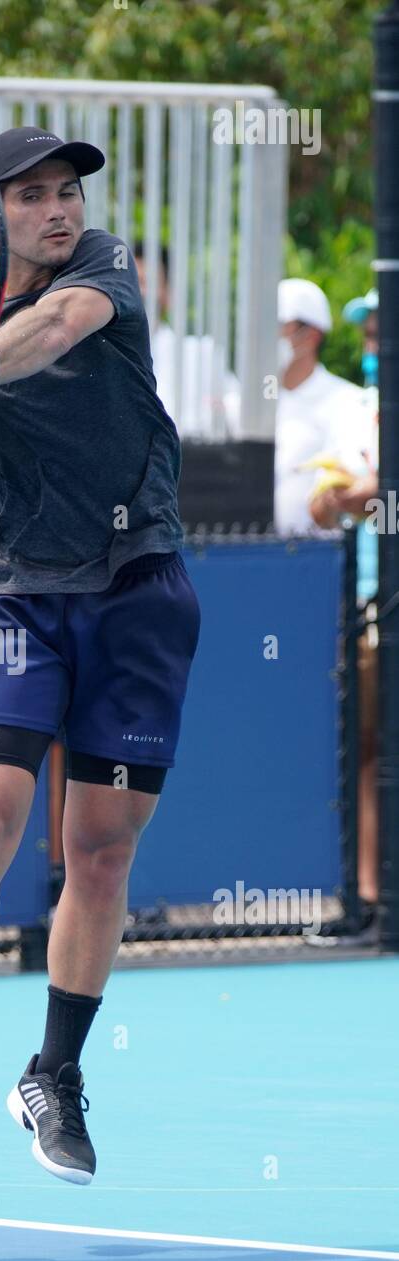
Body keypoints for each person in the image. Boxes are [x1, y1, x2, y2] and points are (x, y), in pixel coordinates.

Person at [0, 127, 201, 1191]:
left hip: (139, 591)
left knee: (100, 850)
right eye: (35, 197)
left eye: (68, 192)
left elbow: (54, 327)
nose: (59, 210)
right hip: (17, 594)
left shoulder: (99, 271)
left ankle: (54, 1073)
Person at [309, 289, 380, 923]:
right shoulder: (359, 410)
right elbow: (324, 503)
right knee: (362, 749)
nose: (374, 342)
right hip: (364, 605)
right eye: (369, 331)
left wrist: (370, 495)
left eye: (384, 329)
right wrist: (337, 497)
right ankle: (367, 897)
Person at [274, 278, 365, 537]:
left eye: (279, 325)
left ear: (311, 335)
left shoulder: (347, 401)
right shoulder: (255, 400)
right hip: (250, 556)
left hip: (317, 560)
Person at [133, 242, 240, 438]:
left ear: (169, 293)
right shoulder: (95, 357)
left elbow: (240, 412)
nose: (138, 291)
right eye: (130, 282)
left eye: (146, 282)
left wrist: (219, 413)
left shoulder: (200, 354)